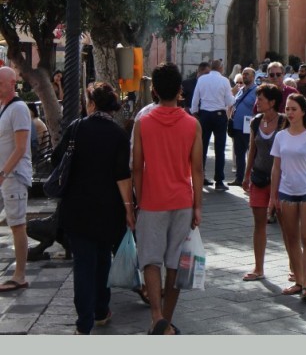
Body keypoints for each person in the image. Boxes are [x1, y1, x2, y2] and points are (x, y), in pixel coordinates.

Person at [52, 82, 134, 334]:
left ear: (92, 103)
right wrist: (129, 209)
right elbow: (123, 176)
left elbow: (57, 159)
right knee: (102, 259)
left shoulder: (77, 128)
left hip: (77, 209)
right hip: (109, 210)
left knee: (83, 264)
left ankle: (83, 323)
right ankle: (101, 309)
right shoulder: (119, 134)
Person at [133, 62, 202, 334]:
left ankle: (156, 316)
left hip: (151, 200)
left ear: (154, 90)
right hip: (182, 200)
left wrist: (137, 199)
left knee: (151, 260)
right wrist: (198, 206)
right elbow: (196, 169)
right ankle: (168, 320)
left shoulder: (143, 123)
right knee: (175, 262)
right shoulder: (192, 124)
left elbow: (137, 166)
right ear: (180, 90)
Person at [269, 93, 306, 303]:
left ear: (303, 111)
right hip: (286, 193)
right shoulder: (281, 136)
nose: (290, 113)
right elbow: (276, 169)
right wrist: (273, 197)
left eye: (294, 109)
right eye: (288, 109)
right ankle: (299, 281)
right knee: (291, 238)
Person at [241, 83, 285, 281]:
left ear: (272, 102)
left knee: (287, 225)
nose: (256, 102)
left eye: (261, 99)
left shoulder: (284, 122)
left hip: (282, 181)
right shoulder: (256, 122)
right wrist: (246, 175)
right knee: (259, 224)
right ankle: (258, 268)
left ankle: (295, 267)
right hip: (259, 178)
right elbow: (253, 149)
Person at [0, 66, 32, 294]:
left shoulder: (19, 108)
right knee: (14, 224)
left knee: (17, 224)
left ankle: (20, 275)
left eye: (0, 83)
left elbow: (20, 147)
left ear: (12, 83)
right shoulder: (4, 108)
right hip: (5, 176)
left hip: (13, 176)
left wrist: (3, 174)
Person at [190, 58, 234, 190]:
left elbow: (195, 98)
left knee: (201, 147)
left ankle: (201, 176)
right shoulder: (225, 81)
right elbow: (230, 101)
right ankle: (219, 181)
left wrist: (195, 112)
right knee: (220, 149)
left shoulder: (202, 79)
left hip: (204, 115)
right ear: (221, 68)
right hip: (219, 115)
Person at [229, 67, 257, 186]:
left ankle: (252, 179)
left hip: (249, 127)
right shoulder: (241, 90)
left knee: (251, 153)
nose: (244, 76)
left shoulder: (257, 90)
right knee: (239, 154)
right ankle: (239, 178)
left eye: (247, 74)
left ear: (253, 76)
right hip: (238, 127)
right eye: (243, 74)